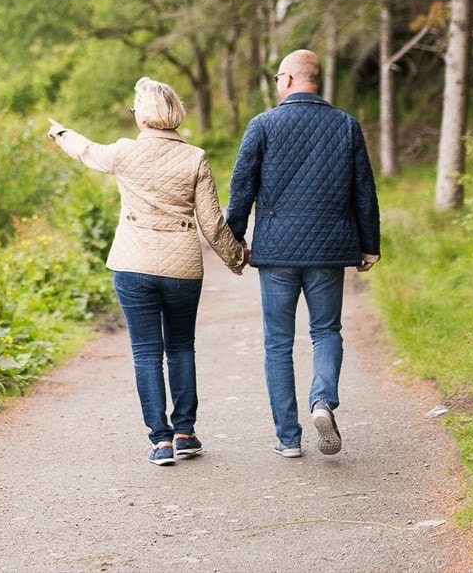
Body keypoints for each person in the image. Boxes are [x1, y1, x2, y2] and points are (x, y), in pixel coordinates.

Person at [48, 78, 247, 467]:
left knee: (145, 354)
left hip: (132, 264)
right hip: (182, 268)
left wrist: (61, 133)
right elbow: (211, 222)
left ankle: (161, 442)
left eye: (134, 108)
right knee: (181, 347)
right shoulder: (195, 157)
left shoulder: (124, 153)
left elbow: (87, 151)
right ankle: (185, 432)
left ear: (143, 115)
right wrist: (235, 257)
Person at [226, 49, 381, 458]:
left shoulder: (262, 125)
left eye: (279, 77)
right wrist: (369, 244)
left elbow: (241, 187)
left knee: (278, 342)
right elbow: (364, 190)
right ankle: (322, 401)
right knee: (326, 331)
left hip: (276, 251)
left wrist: (234, 242)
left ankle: (288, 440)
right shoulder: (346, 126)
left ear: (288, 80)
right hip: (329, 250)